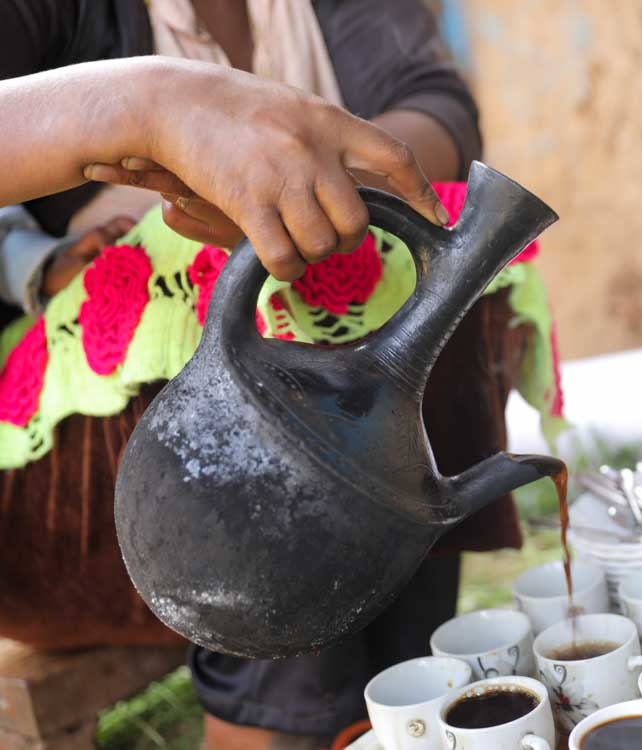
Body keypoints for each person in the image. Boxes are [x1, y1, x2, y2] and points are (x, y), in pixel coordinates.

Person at [0, 4, 564, 748]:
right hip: (59, 494)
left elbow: (436, 104)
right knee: (282, 417)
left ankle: (404, 709)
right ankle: (268, 724)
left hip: (288, 368)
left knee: (375, 278)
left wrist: (309, 186)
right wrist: (150, 106)